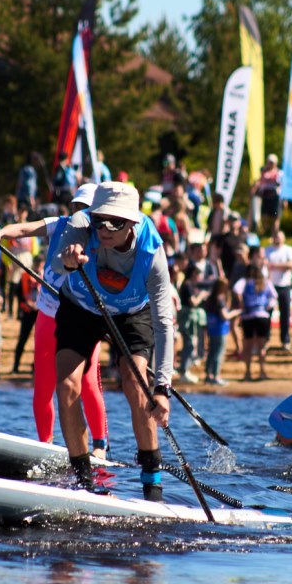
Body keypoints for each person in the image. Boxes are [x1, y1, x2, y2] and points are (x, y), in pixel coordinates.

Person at [54, 182, 176, 500]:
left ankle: (152, 484)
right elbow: (54, 265)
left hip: (131, 314)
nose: (105, 229)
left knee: (135, 385)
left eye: (116, 222)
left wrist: (163, 389)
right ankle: (83, 480)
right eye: (100, 220)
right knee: (67, 386)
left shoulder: (152, 252)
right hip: (81, 308)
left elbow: (164, 323)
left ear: (132, 223)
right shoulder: (81, 226)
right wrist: (67, 260)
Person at [0, 183, 109, 452]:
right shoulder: (60, 224)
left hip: (83, 318)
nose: (79, 213)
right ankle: (46, 445)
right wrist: (1, 233)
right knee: (43, 386)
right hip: (49, 314)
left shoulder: (100, 237)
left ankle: (100, 445)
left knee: (87, 384)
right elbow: (26, 228)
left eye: (85, 209)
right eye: (76, 207)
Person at [235, 263, 276, 381]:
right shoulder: (265, 282)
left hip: (248, 316)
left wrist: (242, 304)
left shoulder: (245, 281)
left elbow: (236, 289)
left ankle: (248, 373)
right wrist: (267, 307)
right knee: (261, 347)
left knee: (247, 346)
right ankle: (262, 372)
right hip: (262, 315)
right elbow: (274, 296)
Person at [264, 230, 292, 350]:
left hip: (285, 286)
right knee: (267, 314)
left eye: (279, 237)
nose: (277, 239)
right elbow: (264, 265)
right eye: (275, 236)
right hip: (270, 286)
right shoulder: (267, 250)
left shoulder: (288, 250)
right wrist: (281, 265)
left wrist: (273, 266)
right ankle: (265, 340)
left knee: (285, 314)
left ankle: (285, 340)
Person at [202, 275, 239, 385]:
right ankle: (216, 376)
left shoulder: (210, 298)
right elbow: (225, 316)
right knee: (219, 352)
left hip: (211, 328)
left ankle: (208, 375)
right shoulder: (220, 299)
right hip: (220, 329)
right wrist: (235, 313)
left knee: (211, 352)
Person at [249, 154, 282, 237]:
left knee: (275, 216)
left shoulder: (279, 173)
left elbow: (282, 185)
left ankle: (274, 234)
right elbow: (259, 182)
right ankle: (265, 233)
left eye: (272, 162)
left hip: (275, 197)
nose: (270, 164)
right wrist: (254, 190)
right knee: (265, 216)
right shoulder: (263, 172)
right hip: (265, 196)